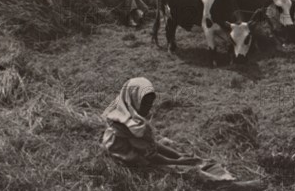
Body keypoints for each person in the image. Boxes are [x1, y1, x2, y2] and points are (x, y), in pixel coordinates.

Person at [101, 77, 236, 181]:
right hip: (133, 165)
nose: (148, 107)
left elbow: (151, 145)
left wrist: (177, 155)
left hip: (144, 155)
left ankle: (211, 169)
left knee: (186, 156)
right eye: (144, 102)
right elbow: (151, 157)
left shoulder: (130, 115)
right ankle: (225, 183)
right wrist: (177, 161)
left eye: (150, 103)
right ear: (132, 99)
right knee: (187, 171)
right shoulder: (123, 125)